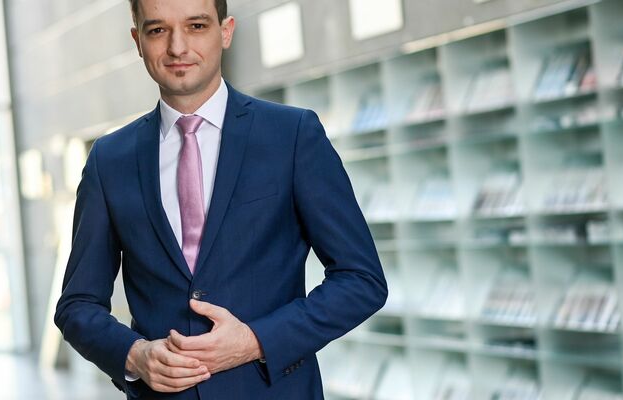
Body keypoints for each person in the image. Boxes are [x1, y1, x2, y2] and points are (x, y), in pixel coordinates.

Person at [54, 0, 388, 398]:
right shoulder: (110, 160)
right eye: (158, 30)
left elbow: (361, 279)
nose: (178, 47)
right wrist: (135, 354)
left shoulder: (292, 135)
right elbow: (77, 305)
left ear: (225, 31)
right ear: (137, 41)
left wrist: (255, 340)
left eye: (196, 26)